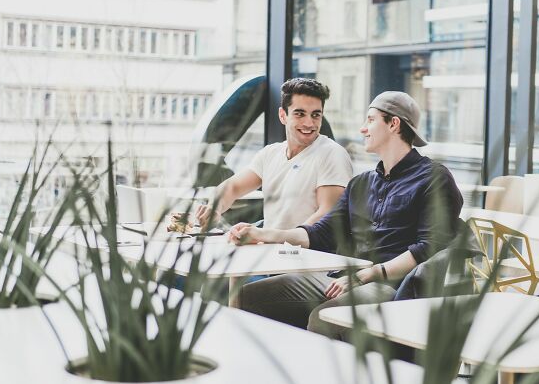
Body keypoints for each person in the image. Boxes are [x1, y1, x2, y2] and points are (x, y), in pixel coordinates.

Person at [230, 91, 466, 338]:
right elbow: (321, 233)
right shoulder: (361, 183)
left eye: (370, 120)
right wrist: (261, 233)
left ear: (394, 124)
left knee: (325, 318)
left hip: (390, 286)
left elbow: (428, 248)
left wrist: (365, 275)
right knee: (246, 297)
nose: (363, 129)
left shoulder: (434, 178)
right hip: (341, 277)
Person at [188, 78, 353, 232]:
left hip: (309, 255)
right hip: (272, 250)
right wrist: (214, 208)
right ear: (283, 115)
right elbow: (232, 187)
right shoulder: (270, 153)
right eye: (300, 114)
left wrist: (266, 236)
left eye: (316, 115)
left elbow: (327, 216)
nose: (309, 123)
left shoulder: (332, 154)